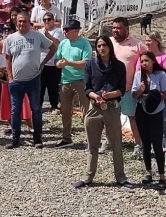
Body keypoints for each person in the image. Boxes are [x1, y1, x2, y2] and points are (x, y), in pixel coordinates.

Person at [73, 35, 131, 189]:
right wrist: (96, 96)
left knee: (116, 145)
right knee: (92, 146)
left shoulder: (119, 66)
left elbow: (122, 89)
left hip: (112, 108)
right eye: (98, 46)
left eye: (104, 45)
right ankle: (88, 177)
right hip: (94, 108)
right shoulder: (90, 65)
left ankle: (121, 178)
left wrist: (110, 95)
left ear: (109, 47)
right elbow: (87, 88)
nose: (101, 48)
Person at [3, 12, 56, 149]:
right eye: (19, 21)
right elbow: (8, 59)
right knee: (15, 111)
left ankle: (37, 138)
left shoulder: (37, 35)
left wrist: (43, 63)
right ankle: (16, 138)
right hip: (16, 81)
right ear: (16, 22)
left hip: (33, 79)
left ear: (29, 22)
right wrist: (10, 77)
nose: (22, 24)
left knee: (36, 109)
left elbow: (53, 47)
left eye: (25, 21)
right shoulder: (10, 38)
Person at [106, 17, 146, 158]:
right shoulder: (108, 42)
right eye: (114, 28)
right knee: (110, 117)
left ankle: (138, 145)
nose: (115, 30)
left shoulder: (137, 45)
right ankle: (110, 142)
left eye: (119, 28)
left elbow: (148, 62)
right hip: (110, 89)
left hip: (128, 90)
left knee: (132, 118)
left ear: (127, 29)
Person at [131, 52, 166, 185]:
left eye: (146, 61)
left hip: (157, 111)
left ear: (153, 61)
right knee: (145, 144)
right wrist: (141, 91)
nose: (144, 64)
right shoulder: (138, 75)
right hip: (141, 111)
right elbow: (134, 95)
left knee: (157, 144)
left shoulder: (161, 75)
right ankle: (148, 172)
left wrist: (155, 97)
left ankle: (161, 176)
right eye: (142, 61)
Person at [54, 19, 92, 148]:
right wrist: (58, 64)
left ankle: (90, 139)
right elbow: (57, 59)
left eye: (67, 29)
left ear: (75, 31)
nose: (64, 32)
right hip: (65, 81)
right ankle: (66, 138)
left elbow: (86, 63)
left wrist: (68, 63)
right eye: (64, 29)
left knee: (86, 111)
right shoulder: (63, 43)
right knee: (65, 111)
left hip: (81, 81)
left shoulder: (84, 43)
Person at [140, 31, 166, 167]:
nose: (147, 43)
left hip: (161, 96)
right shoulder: (143, 57)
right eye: (146, 40)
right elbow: (140, 74)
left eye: (150, 40)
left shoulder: (165, 58)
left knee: (163, 122)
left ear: (157, 42)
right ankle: (150, 150)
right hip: (146, 96)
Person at [38, 12, 63, 115]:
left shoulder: (58, 31)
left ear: (53, 20)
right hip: (41, 62)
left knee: (53, 86)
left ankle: (54, 105)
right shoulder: (39, 31)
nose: (46, 22)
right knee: (40, 86)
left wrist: (48, 35)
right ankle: (38, 106)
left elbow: (57, 43)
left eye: (49, 19)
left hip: (53, 63)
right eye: (44, 20)